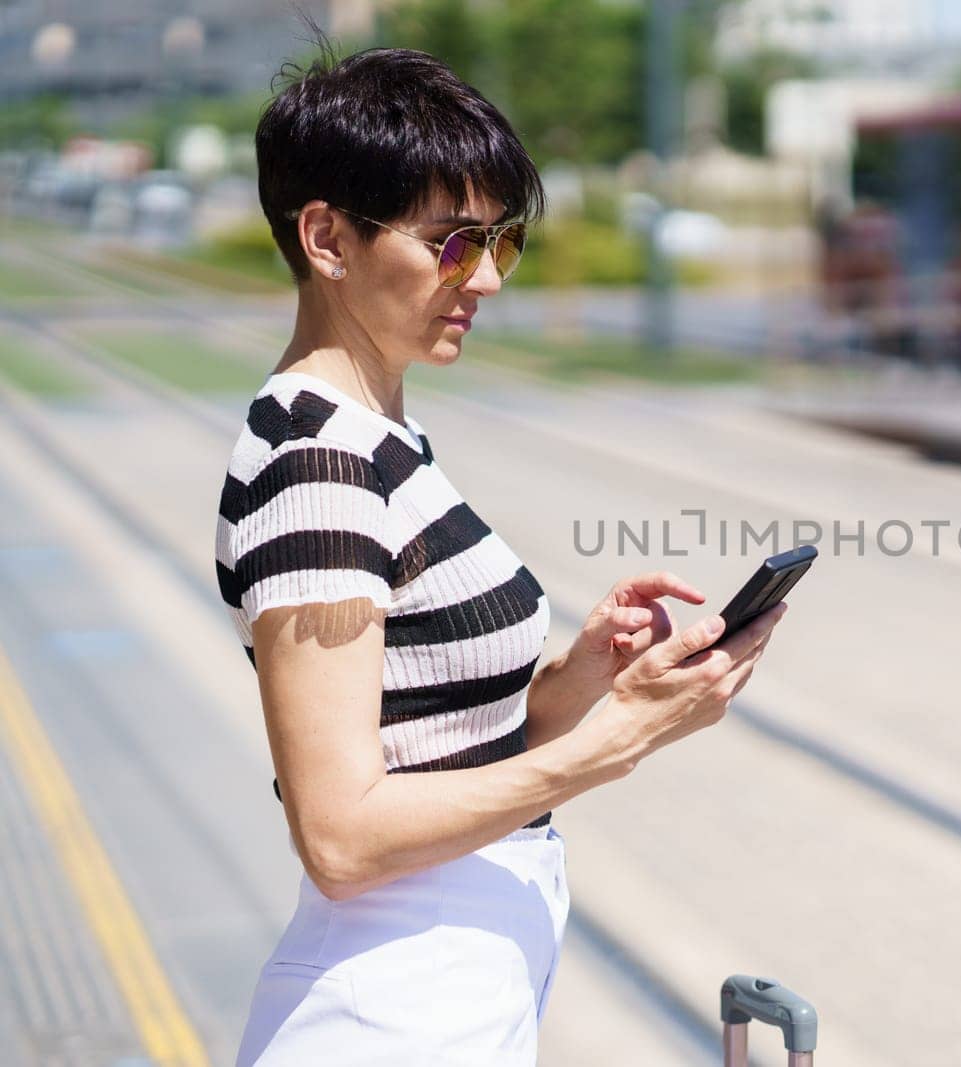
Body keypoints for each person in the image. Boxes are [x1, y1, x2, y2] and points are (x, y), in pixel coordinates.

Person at [214, 40, 786, 1065]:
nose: (483, 278)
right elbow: (342, 835)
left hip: (446, 999)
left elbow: (432, 739)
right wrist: (619, 741)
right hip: (389, 1014)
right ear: (327, 238)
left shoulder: (376, 440)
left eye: (500, 243)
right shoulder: (318, 475)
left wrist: (588, 677)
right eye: (451, 242)